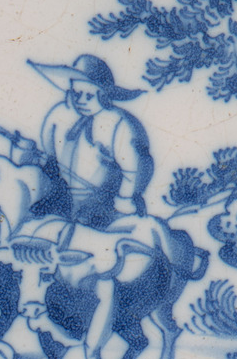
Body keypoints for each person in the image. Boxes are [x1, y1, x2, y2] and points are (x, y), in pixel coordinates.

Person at [12, 54, 154, 230]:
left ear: (104, 95)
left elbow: (134, 169)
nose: (81, 101)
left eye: (89, 96)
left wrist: (125, 202)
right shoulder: (59, 117)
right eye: (77, 94)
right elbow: (51, 163)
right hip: (63, 198)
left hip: (103, 205)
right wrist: (30, 154)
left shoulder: (119, 124)